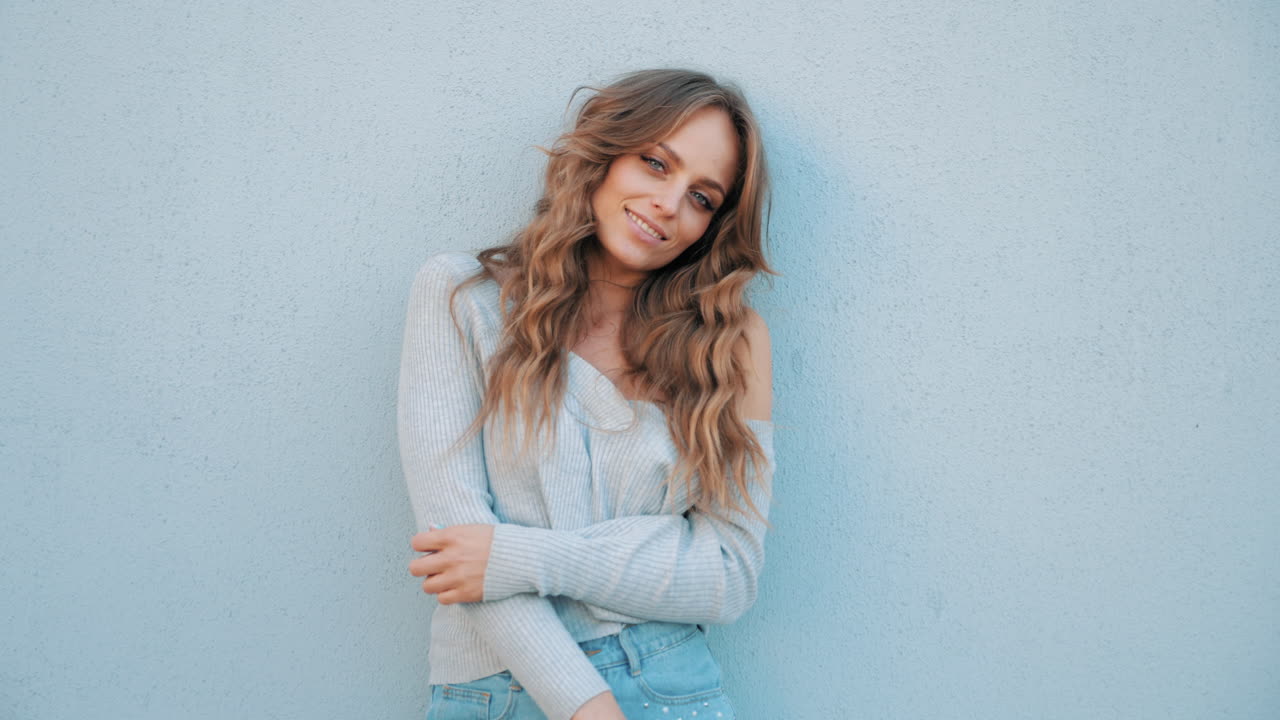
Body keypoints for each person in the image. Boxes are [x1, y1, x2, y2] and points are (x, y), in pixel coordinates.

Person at [398, 68, 777, 720]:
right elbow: (454, 553)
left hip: (669, 689)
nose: (669, 203)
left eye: (703, 198)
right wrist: (588, 707)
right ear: (604, 155)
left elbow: (729, 573)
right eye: (655, 163)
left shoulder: (727, 342)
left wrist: (520, 555)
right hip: (487, 690)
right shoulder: (463, 299)